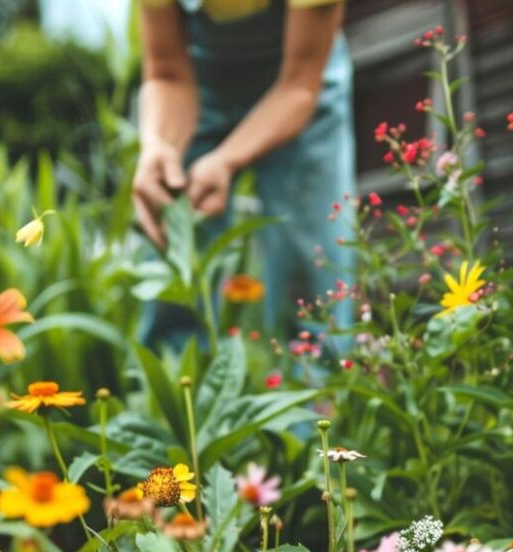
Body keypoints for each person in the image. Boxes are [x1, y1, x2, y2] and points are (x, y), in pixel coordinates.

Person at [133, 0, 355, 350]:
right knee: (175, 248)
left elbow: (299, 85)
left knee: (312, 266)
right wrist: (157, 146)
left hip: (303, 80)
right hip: (198, 81)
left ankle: (320, 390)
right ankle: (178, 386)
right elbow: (167, 72)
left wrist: (226, 160)